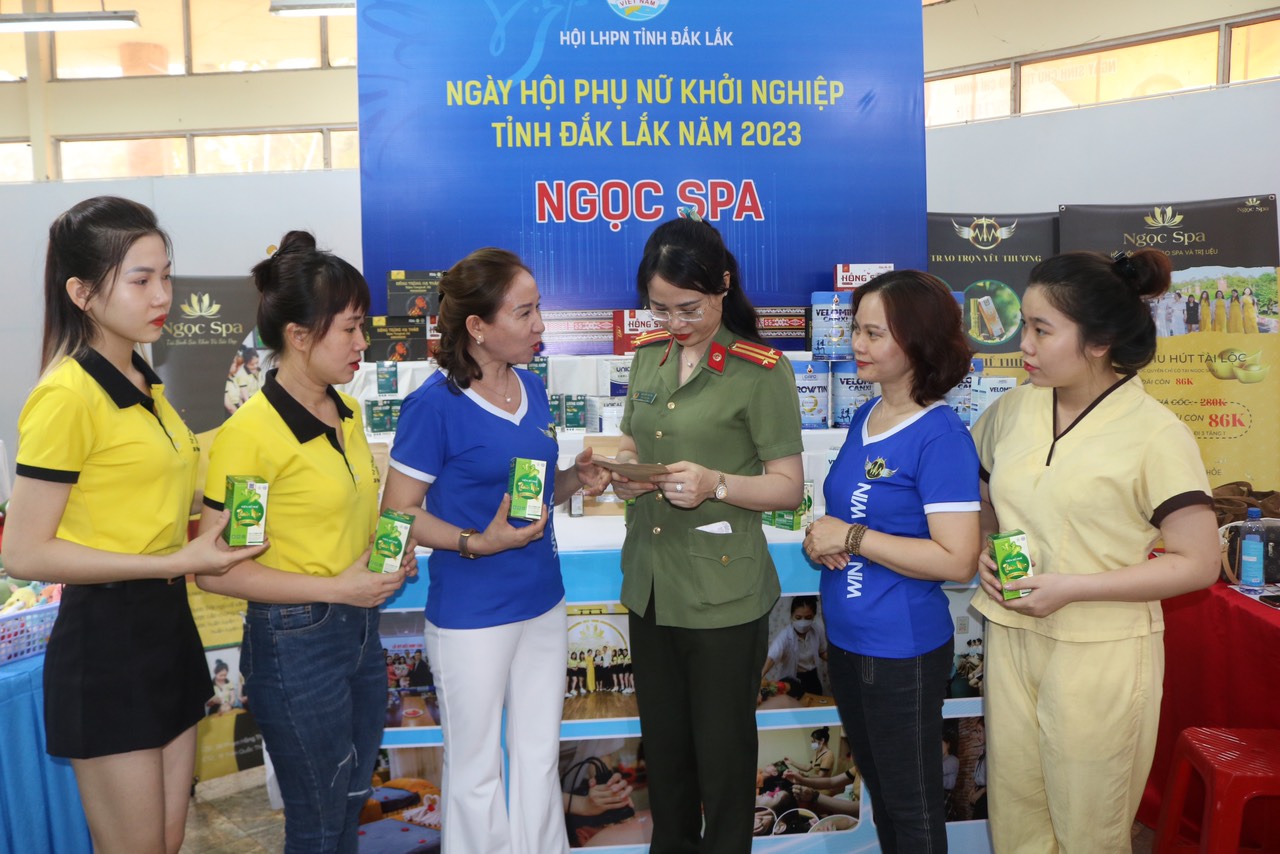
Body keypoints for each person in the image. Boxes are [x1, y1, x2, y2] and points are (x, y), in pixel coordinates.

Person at [3, 196, 268, 854]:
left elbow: (152, 501)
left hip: (165, 629)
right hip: (106, 645)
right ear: (82, 293)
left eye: (166, 276)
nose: (162, 295)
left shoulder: (145, 382)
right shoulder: (66, 396)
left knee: (167, 842)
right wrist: (175, 561)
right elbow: (24, 552)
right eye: (141, 279)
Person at [971, 249, 1219, 853]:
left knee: (1089, 830)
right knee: (1017, 821)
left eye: (1042, 330)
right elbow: (981, 494)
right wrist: (984, 546)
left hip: (1102, 650)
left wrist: (1073, 587)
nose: (1023, 344)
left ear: (1100, 342)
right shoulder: (1013, 409)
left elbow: (1199, 562)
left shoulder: (1155, 433)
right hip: (1011, 634)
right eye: (1024, 325)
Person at [379, 247, 609, 854]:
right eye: (524, 312)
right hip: (472, 615)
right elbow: (397, 513)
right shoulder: (433, 406)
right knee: (476, 769)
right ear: (478, 326)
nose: (540, 325)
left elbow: (530, 498)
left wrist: (574, 480)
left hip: (543, 602)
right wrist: (474, 542)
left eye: (539, 309)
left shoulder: (532, 386)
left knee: (538, 757)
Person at [195, 231, 414, 854]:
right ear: (298, 335)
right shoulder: (251, 436)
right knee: (317, 822)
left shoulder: (347, 414)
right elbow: (217, 568)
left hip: (360, 632)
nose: (363, 342)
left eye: (362, 326)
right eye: (349, 328)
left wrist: (387, 553)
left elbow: (343, 523)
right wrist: (337, 587)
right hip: (296, 643)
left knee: (349, 803)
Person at [609, 212, 805, 854]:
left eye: (688, 308)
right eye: (660, 309)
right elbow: (637, 441)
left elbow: (787, 487)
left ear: (723, 284)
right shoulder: (649, 359)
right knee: (665, 760)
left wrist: (715, 483)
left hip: (723, 594)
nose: (675, 322)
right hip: (651, 586)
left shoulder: (760, 370)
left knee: (721, 762)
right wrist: (625, 473)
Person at [803, 269, 981, 853]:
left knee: (913, 811)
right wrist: (821, 539)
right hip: (848, 640)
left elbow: (958, 559)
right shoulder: (867, 415)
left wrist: (852, 538)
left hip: (901, 649)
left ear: (918, 342)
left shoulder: (941, 435)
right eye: (856, 329)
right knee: (883, 799)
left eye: (874, 333)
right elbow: (851, 518)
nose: (857, 343)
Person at [763, 595, 828, 696]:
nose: (803, 622)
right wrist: (760, 677)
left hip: (813, 677)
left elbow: (822, 652)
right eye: (798, 618)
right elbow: (772, 656)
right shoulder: (785, 636)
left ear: (814, 616)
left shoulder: (817, 630)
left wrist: (840, 662)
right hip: (793, 679)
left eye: (808, 618)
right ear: (792, 616)